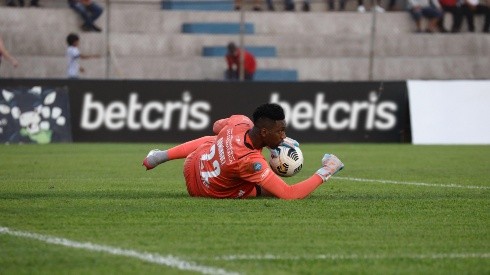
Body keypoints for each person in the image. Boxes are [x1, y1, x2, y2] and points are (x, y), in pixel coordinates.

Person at [142, 103, 344, 199]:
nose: (283, 135)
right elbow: (289, 194)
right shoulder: (252, 161)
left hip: (194, 163)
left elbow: (216, 126)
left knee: (214, 140)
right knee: (266, 189)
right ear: (264, 132)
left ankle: (161, 156)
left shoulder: (240, 121)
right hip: (202, 191)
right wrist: (326, 171)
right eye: (280, 131)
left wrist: (273, 141)